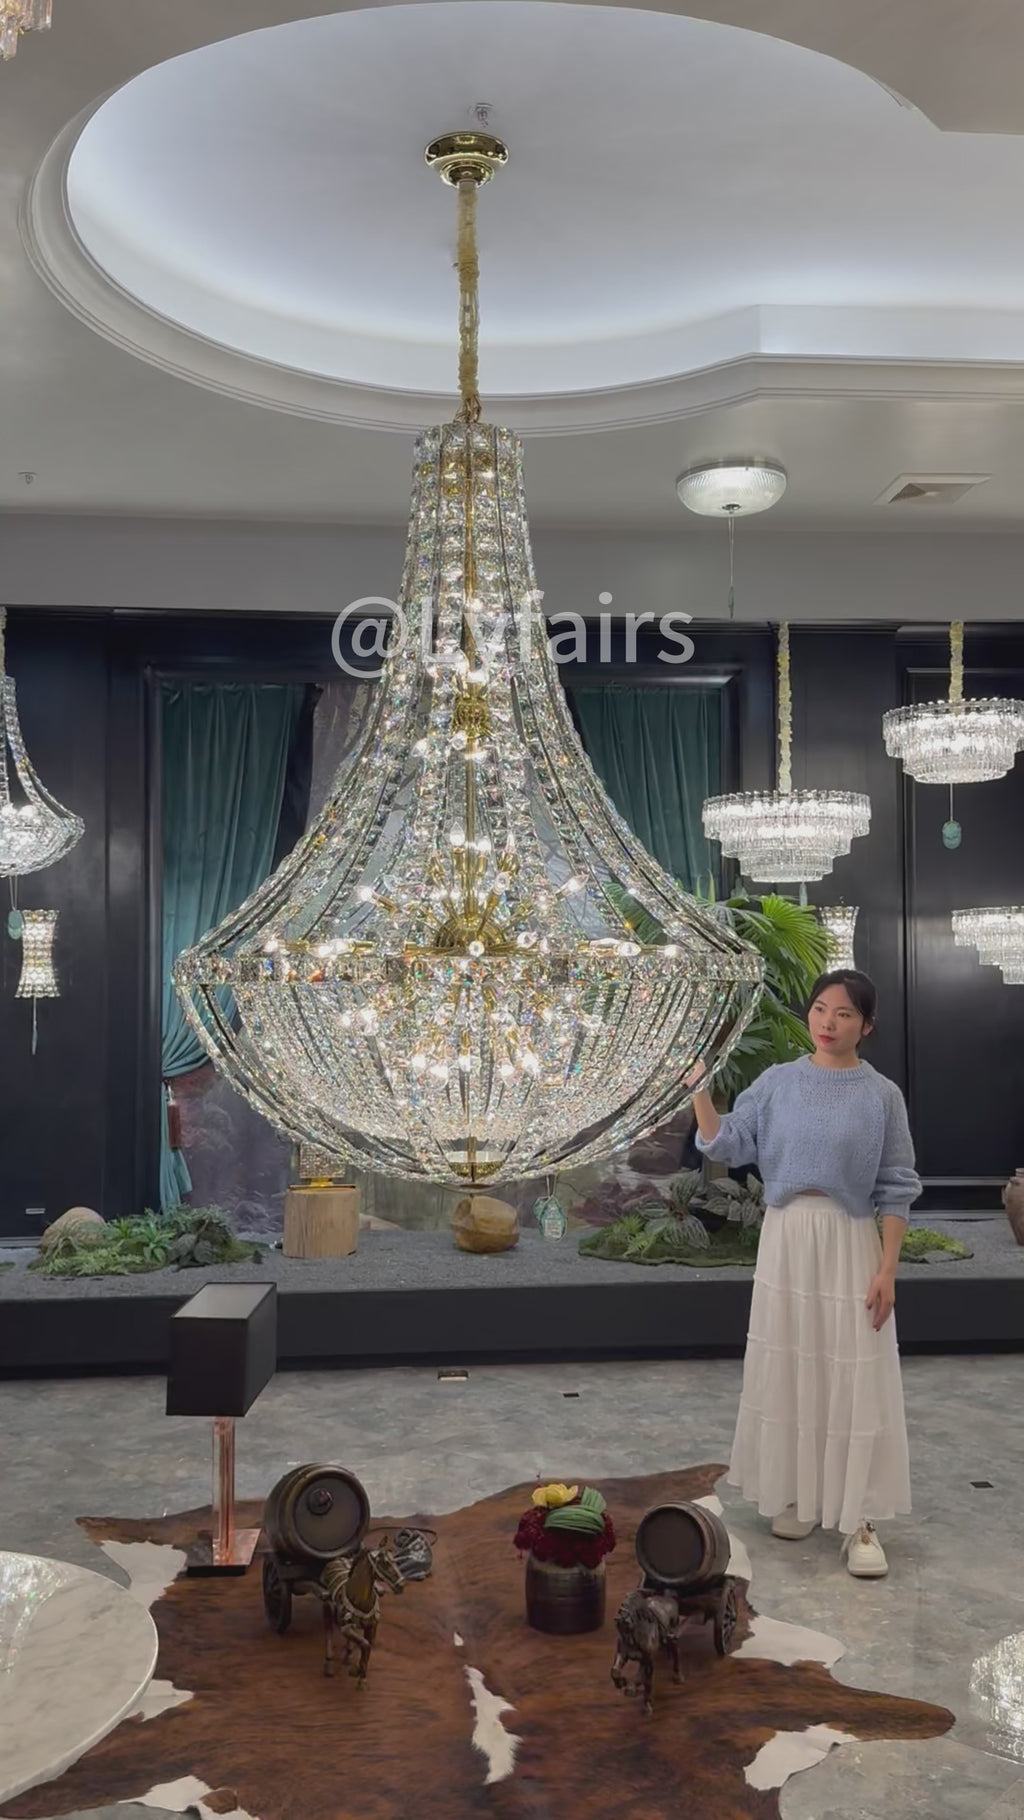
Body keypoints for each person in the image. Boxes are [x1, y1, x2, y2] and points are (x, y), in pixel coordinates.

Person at [690, 969, 920, 1579]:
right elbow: (725, 1143)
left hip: (850, 1239)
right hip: (786, 1238)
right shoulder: (778, 1083)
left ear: (866, 1026)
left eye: (844, 1014)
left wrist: (888, 1268)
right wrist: (698, 1089)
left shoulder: (882, 1097)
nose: (828, 1022)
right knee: (791, 1362)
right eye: (820, 1009)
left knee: (855, 1370)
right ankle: (798, 1495)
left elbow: (897, 1186)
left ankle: (861, 1520)